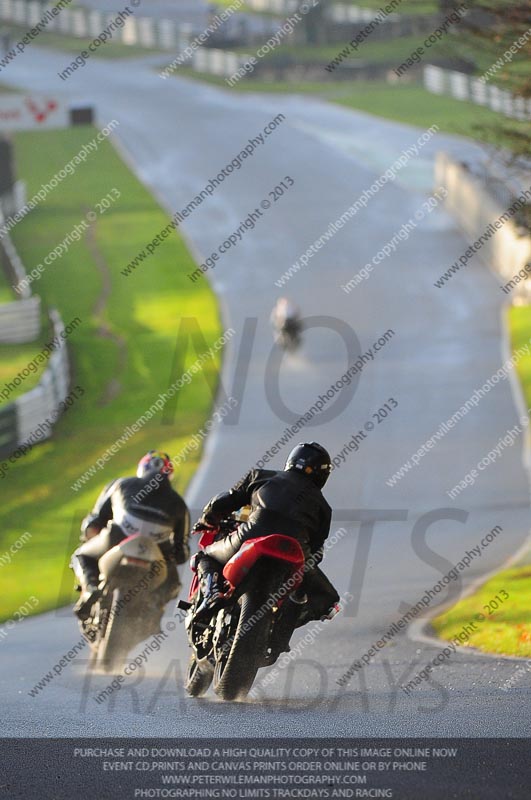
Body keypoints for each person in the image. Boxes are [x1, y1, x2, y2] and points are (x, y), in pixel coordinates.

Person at [194, 442, 339, 652]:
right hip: (296, 551)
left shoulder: (261, 476)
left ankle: (212, 593)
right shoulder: (324, 507)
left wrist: (208, 519)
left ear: (290, 462)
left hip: (251, 535)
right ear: (322, 475)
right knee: (329, 602)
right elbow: (317, 551)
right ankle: (279, 628)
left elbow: (225, 502)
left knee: (204, 556)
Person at [71, 450, 190, 620]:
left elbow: (94, 520)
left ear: (142, 468)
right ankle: (153, 608)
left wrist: (90, 534)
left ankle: (90, 588)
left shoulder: (121, 484)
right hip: (156, 550)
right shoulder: (180, 504)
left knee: (80, 554)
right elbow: (181, 552)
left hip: (117, 536)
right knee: (173, 584)